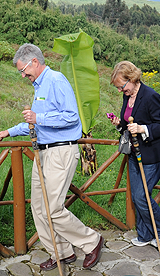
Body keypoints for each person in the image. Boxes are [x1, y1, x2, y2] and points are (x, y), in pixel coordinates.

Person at [0, 44, 103, 271]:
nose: (22, 75)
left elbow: (71, 117)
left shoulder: (56, 80)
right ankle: (61, 252)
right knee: (38, 206)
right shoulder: (39, 86)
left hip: (60, 151)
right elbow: (34, 122)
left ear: (34, 62)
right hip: (42, 153)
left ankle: (91, 241)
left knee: (53, 208)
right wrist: (9, 132)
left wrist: (39, 118)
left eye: (23, 70)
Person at [109, 61, 160, 248]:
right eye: (118, 88)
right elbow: (130, 123)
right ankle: (145, 234)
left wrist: (142, 128)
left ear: (132, 78)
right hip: (134, 153)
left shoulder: (151, 96)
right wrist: (119, 123)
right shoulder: (128, 97)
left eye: (122, 86)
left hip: (152, 154)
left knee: (141, 196)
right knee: (138, 196)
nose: (121, 90)